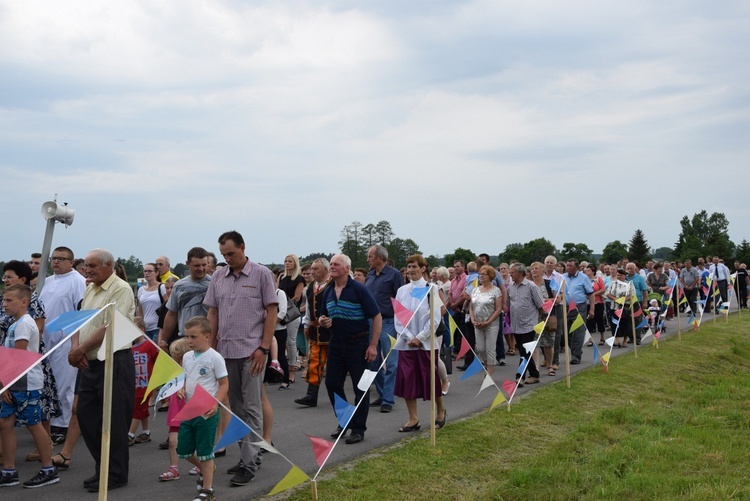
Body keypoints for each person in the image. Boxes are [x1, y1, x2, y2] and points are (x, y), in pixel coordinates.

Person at [203, 231, 277, 486]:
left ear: (243, 248)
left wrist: (264, 348)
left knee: (252, 406)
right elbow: (213, 314)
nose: (228, 258)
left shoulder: (261, 274)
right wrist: (209, 348)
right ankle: (248, 454)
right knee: (234, 408)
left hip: (252, 352)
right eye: (224, 255)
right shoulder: (218, 277)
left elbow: (271, 312)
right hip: (225, 352)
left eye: (231, 253)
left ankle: (249, 462)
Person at [68, 248, 135, 492]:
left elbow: (109, 326)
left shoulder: (121, 289)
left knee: (114, 422)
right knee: (86, 417)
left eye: (93, 265)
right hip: (89, 361)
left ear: (109, 266)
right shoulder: (90, 288)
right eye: (86, 265)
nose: (87, 270)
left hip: (114, 361)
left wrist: (81, 349)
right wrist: (76, 347)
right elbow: (79, 321)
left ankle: (115, 474)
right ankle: (103, 467)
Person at [1, 260, 61, 462]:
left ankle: (46, 461)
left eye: (9, 276)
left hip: (24, 365)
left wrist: (6, 382)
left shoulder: (28, 309)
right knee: (7, 420)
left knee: (36, 416)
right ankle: (9, 465)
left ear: (22, 279)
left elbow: (29, 340)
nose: (5, 279)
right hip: (10, 364)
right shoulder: (10, 303)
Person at [319, 254, 381, 444]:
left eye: (336, 264)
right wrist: (323, 321)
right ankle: (345, 420)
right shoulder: (328, 290)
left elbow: (376, 316)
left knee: (360, 387)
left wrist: (373, 345)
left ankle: (358, 428)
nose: (332, 266)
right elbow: (323, 315)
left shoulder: (359, 289)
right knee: (332, 384)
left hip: (358, 343)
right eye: (330, 264)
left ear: (347, 268)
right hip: (336, 343)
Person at [393, 255, 447, 433]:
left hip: (426, 344)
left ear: (423, 268)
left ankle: (440, 411)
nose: (410, 270)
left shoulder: (432, 288)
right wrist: (409, 337)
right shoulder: (402, 290)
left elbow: (435, 318)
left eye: (414, 266)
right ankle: (413, 419)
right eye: (408, 266)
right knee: (408, 379)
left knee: (430, 378)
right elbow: (399, 318)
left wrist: (421, 337)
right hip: (407, 343)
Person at [176, 316, 228, 501]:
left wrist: (215, 403)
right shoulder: (186, 356)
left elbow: (224, 384)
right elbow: (185, 378)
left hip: (207, 411)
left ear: (207, 336)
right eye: (187, 336)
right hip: (190, 410)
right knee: (184, 450)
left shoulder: (215, 357)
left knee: (205, 452)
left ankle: (208, 490)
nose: (189, 341)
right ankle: (208, 468)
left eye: (193, 337)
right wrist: (181, 388)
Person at [38, 246, 86, 447]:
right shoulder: (47, 281)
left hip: (66, 338)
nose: (56, 262)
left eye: (61, 258)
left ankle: (64, 425)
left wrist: (77, 343)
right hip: (46, 339)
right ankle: (52, 421)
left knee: (65, 382)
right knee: (49, 381)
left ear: (71, 261)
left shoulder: (78, 281)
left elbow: (81, 311)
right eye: (54, 258)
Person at [364, 245, 403, 413]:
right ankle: (382, 392)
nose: (368, 260)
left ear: (380, 258)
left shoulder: (395, 275)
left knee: (391, 362)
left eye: (370, 256)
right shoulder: (370, 275)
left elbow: (400, 301)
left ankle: (388, 399)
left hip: (388, 322)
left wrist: (400, 324)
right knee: (372, 361)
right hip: (371, 322)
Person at [295, 258, 332, 408]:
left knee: (337, 364)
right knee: (314, 361)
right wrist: (306, 324)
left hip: (332, 330)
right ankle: (312, 395)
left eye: (316, 269)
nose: (312, 272)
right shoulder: (310, 287)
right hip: (315, 329)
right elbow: (309, 307)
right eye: (312, 269)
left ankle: (338, 393)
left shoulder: (332, 284)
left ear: (325, 270)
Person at [157, 247, 211, 351]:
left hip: (206, 340)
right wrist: (164, 340)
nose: (201, 269)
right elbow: (172, 314)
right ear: (188, 264)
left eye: (204, 265)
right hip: (185, 340)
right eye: (197, 265)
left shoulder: (214, 284)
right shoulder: (179, 286)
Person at [507, 264, 545, 385]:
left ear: (520, 273)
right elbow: (509, 304)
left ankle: (520, 377)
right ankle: (534, 374)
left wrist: (536, 318)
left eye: (512, 272)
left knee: (524, 351)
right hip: (516, 324)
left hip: (529, 324)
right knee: (525, 351)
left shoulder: (531, 286)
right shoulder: (510, 287)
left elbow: (540, 305)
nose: (510, 275)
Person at [157, 337, 189, 482]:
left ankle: (201, 465)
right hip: (175, 412)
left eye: (177, 357)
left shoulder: (192, 372)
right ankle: (174, 468)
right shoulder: (173, 372)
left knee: (192, 441)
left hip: (189, 412)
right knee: (172, 441)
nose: (173, 359)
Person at [128, 317, 159, 445]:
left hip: (145, 384)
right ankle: (146, 433)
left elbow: (159, 361)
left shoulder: (150, 345)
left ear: (141, 330)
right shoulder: (131, 348)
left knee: (137, 410)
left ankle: (129, 435)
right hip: (135, 384)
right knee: (142, 409)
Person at [469, 265, 503, 377]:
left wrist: (488, 322)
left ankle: (490, 371)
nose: (481, 276)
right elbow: (471, 307)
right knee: (480, 348)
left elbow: (498, 308)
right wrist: (473, 320)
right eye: (480, 274)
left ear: (490, 276)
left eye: (484, 274)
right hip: (477, 323)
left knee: (490, 348)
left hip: (491, 324)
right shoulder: (475, 290)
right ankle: (486, 363)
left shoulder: (496, 290)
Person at [277, 254, 305, 383]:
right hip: (281, 313)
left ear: (295, 263)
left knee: (291, 341)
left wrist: (284, 303)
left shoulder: (299, 278)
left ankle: (292, 369)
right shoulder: (281, 277)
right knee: (281, 342)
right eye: (285, 261)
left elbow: (297, 296)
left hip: (292, 313)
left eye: (290, 261)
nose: (287, 263)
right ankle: (281, 368)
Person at [564, 259, 595, 364]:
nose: (568, 267)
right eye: (567, 265)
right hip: (565, 307)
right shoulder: (563, 277)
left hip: (579, 307)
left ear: (576, 267)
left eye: (571, 265)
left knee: (578, 332)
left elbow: (591, 294)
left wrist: (591, 309)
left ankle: (576, 356)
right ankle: (575, 350)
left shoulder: (583, 278)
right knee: (567, 332)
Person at [137, 263, 165, 342]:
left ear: (156, 273)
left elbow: (167, 307)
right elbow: (140, 311)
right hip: (145, 329)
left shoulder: (162, 287)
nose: (146, 273)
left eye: (149, 271)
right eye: (145, 271)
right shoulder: (141, 290)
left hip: (157, 328)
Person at [625, 262, 649, 345]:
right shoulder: (625, 278)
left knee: (637, 320)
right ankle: (631, 337)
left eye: (631, 268)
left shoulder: (640, 278)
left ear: (635, 269)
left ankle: (637, 338)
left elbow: (645, 291)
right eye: (628, 268)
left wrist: (645, 302)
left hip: (637, 301)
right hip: (627, 302)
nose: (630, 270)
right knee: (628, 321)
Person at [584, 264, 607, 346]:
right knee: (589, 321)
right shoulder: (584, 280)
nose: (587, 272)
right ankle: (590, 339)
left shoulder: (598, 279)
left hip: (598, 302)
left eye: (588, 270)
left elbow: (603, 289)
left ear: (593, 272)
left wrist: (593, 294)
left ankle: (602, 337)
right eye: (586, 270)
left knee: (599, 319)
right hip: (587, 303)